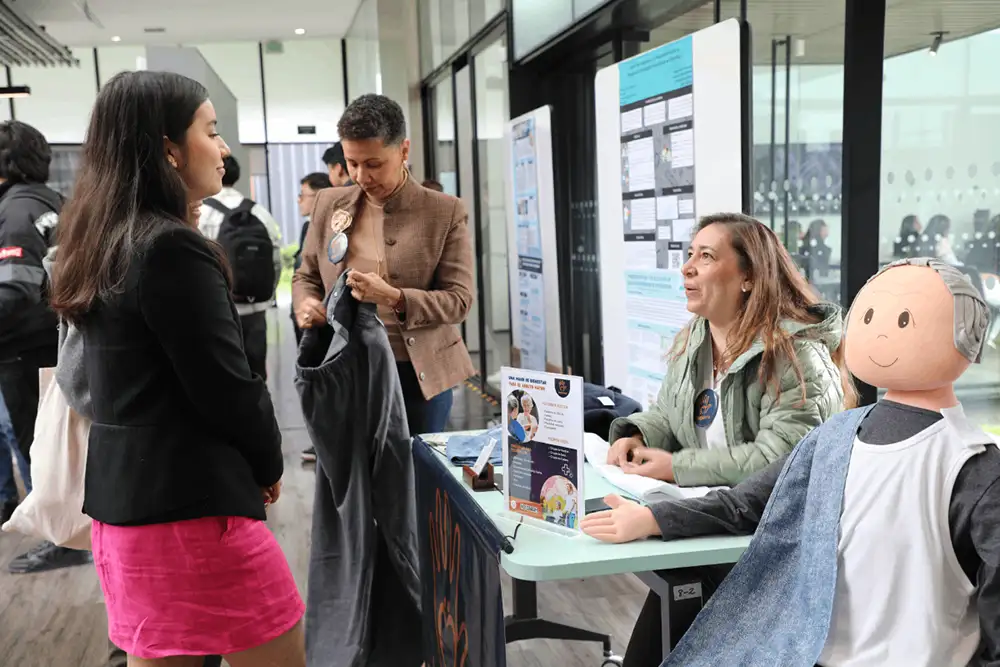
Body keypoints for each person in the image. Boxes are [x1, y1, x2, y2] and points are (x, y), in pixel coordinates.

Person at [584, 258, 1000, 667]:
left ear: (965, 337)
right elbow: (746, 503)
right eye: (869, 315)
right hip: (807, 651)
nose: (878, 333)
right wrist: (652, 518)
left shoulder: (972, 465)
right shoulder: (835, 437)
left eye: (904, 320)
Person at [50, 70, 304, 667]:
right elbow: (227, 386)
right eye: (212, 132)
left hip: (126, 508)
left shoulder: (101, 238)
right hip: (193, 512)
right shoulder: (171, 247)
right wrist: (267, 462)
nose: (223, 149)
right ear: (168, 149)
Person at [602, 212, 854, 666]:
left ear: (748, 278)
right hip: (711, 525)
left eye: (706, 256)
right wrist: (637, 433)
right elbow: (670, 411)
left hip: (768, 543)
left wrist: (675, 467)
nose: (687, 267)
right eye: (689, 255)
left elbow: (783, 462)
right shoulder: (694, 340)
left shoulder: (797, 356)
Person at [293, 93, 475, 436]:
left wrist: (395, 297)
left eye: (374, 164)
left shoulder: (443, 211)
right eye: (352, 163)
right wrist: (307, 302)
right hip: (343, 366)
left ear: (404, 151)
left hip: (417, 373)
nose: (362, 175)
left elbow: (459, 301)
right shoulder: (329, 203)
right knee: (353, 479)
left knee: (414, 479)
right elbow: (306, 275)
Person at [0, 120, 91, 575]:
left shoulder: (14, 214)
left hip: (24, 350)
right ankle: (72, 532)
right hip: (59, 344)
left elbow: (13, 293)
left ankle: (66, 539)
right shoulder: (56, 204)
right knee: (62, 446)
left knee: (41, 446)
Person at [198, 154, 282, 380]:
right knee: (256, 374)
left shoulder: (201, 212)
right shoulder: (259, 212)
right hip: (255, 310)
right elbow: (276, 259)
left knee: (223, 378)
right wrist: (265, 294)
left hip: (219, 312)